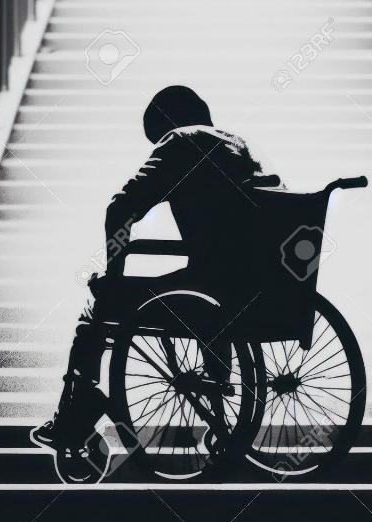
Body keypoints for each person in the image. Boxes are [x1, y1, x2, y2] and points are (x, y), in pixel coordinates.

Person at [31, 85, 282, 459]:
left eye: (156, 138)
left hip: (207, 287)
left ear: (166, 127)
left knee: (95, 313)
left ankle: (77, 412)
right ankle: (219, 387)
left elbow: (120, 209)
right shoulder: (241, 147)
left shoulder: (181, 142)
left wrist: (113, 277)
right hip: (253, 286)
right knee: (206, 283)